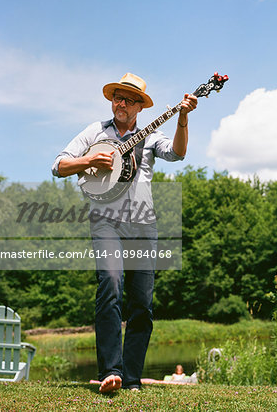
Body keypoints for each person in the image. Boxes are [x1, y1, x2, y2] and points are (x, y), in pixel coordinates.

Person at [52, 73, 197, 392]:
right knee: (111, 283)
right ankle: (110, 372)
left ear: (140, 107)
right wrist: (88, 159)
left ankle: (131, 378)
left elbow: (177, 153)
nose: (122, 103)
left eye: (130, 99)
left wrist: (182, 119)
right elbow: (58, 165)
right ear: (112, 100)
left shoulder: (152, 135)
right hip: (105, 219)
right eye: (118, 96)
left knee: (142, 302)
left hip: (143, 223)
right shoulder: (95, 131)